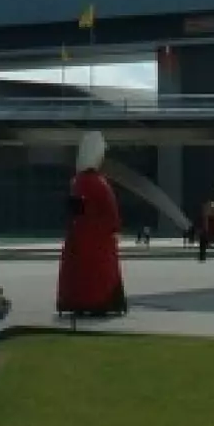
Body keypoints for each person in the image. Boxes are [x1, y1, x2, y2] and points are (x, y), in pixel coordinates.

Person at [58, 131, 127, 318]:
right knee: (101, 273)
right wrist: (114, 228)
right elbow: (111, 211)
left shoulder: (77, 182)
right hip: (99, 238)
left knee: (79, 272)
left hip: (78, 236)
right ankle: (98, 303)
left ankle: (78, 303)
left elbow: (74, 211)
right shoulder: (99, 183)